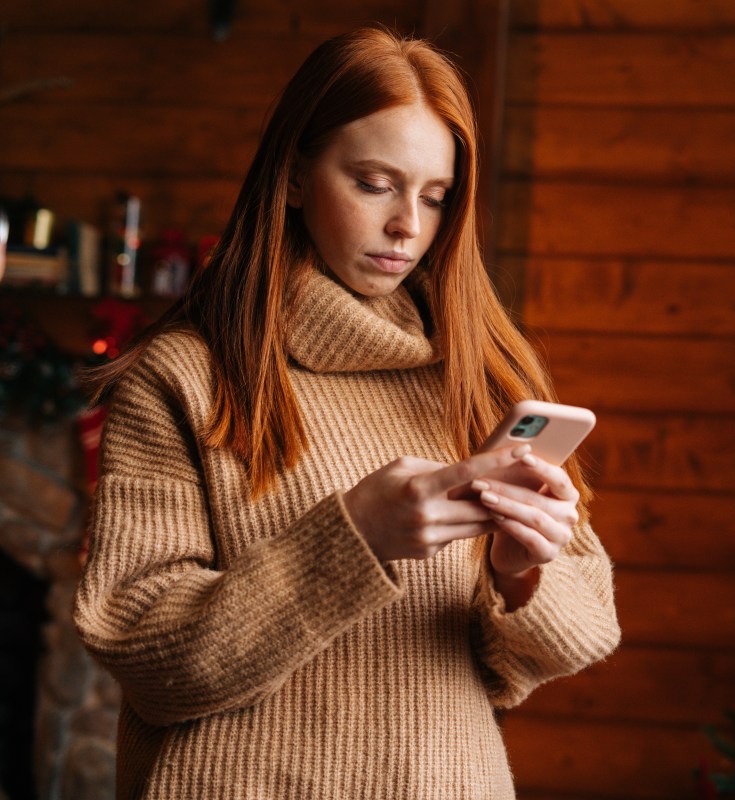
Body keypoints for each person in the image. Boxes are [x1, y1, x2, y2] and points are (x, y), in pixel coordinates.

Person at [73, 27, 620, 799]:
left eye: (435, 197)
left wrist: (521, 575)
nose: (408, 226)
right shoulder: (186, 379)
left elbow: (585, 633)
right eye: (373, 183)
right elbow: (145, 653)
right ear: (294, 176)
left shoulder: (482, 375)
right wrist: (352, 537)